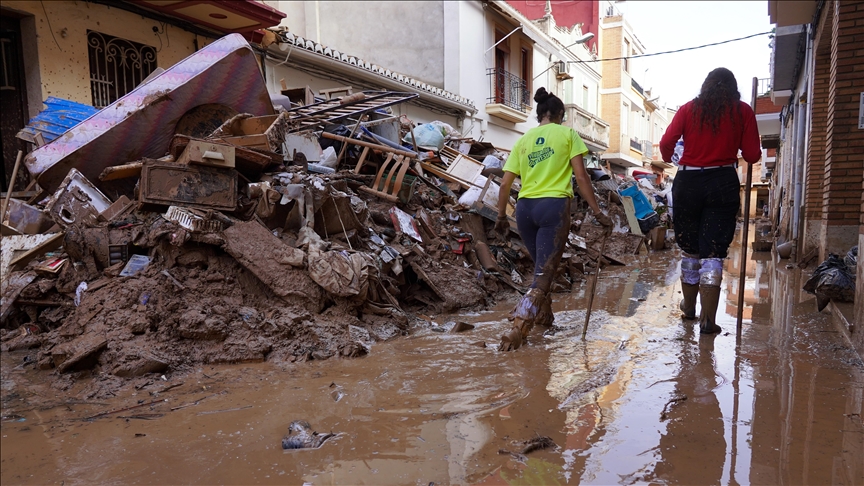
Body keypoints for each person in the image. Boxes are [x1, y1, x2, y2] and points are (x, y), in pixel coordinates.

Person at [496, 87, 612, 351]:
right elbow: (581, 177)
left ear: (539, 116)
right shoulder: (568, 134)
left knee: (541, 267)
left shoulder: (523, 140)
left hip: (524, 210)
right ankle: (518, 328)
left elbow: (504, 185)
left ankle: (544, 320)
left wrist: (502, 216)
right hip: (553, 208)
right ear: (560, 115)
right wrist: (597, 212)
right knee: (543, 275)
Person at [659, 67, 760, 334]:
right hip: (723, 182)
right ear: (733, 88)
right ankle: (708, 320)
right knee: (713, 252)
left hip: (688, 182)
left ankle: (689, 308)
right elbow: (752, 154)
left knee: (690, 250)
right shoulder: (743, 111)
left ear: (705, 87)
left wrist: (675, 158)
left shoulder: (688, 109)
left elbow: (666, 143)